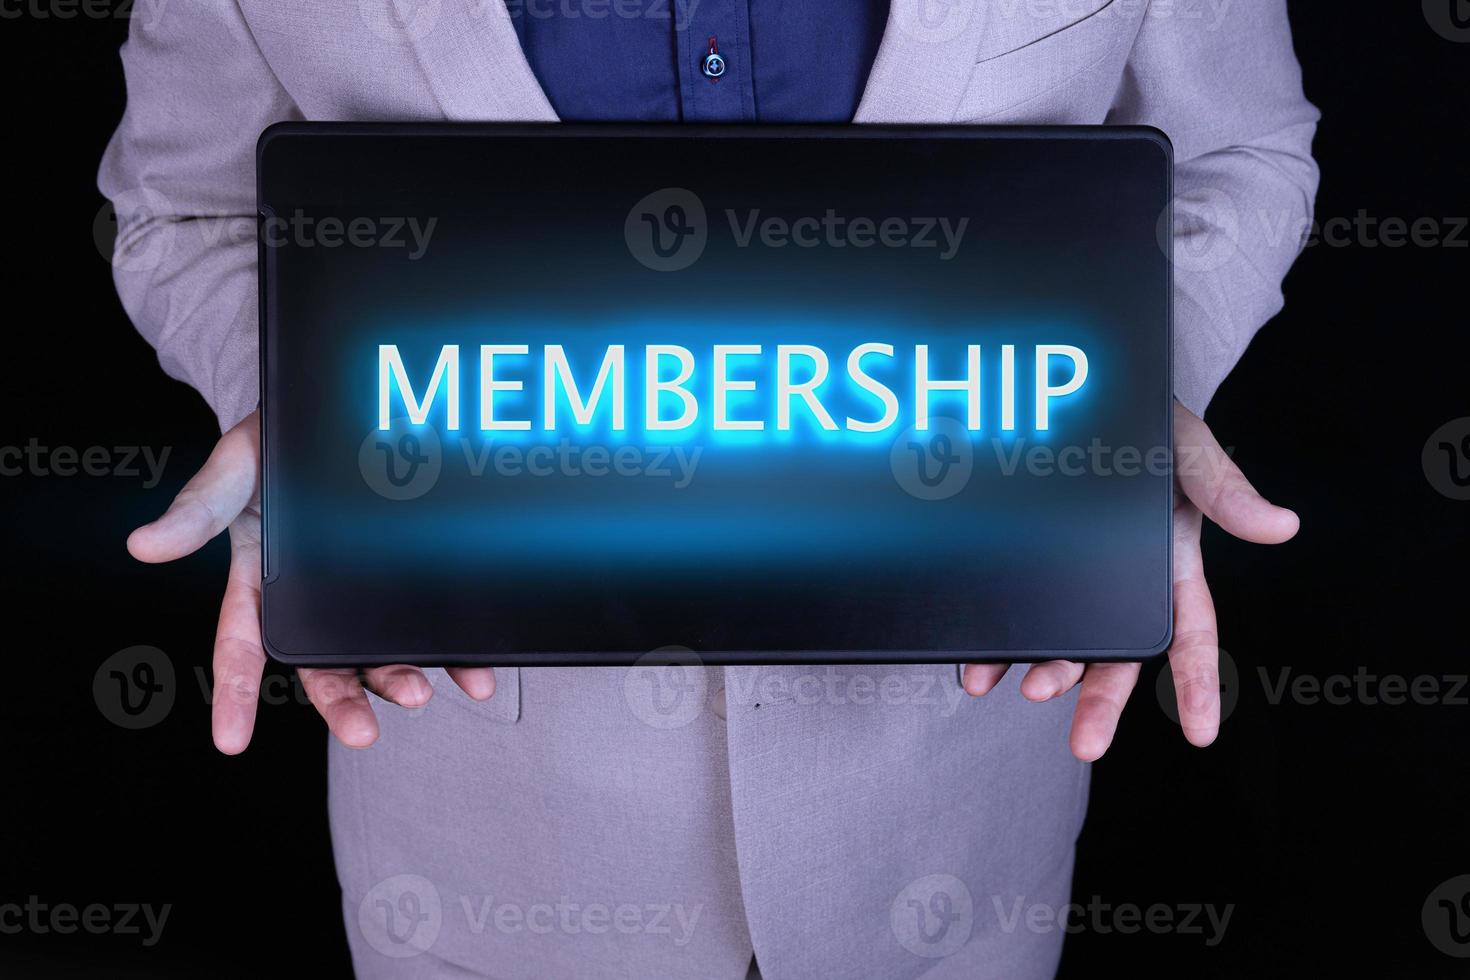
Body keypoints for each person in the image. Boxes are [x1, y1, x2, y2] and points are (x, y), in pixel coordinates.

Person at [99, 1, 1317, 977]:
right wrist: (316, 404)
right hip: (495, 846)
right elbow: (185, 209)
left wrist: (1109, 406)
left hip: (948, 831)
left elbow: (1239, 153)